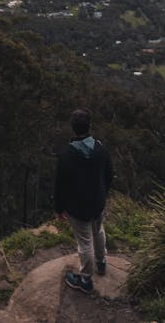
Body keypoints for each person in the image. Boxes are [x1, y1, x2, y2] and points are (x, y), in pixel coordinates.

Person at [54, 108, 114, 293]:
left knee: (85, 242)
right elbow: (109, 174)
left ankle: (86, 280)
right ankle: (101, 262)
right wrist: (103, 193)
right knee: (98, 231)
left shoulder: (65, 156)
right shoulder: (101, 149)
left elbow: (59, 185)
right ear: (89, 126)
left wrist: (59, 209)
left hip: (77, 208)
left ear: (73, 128)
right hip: (97, 203)